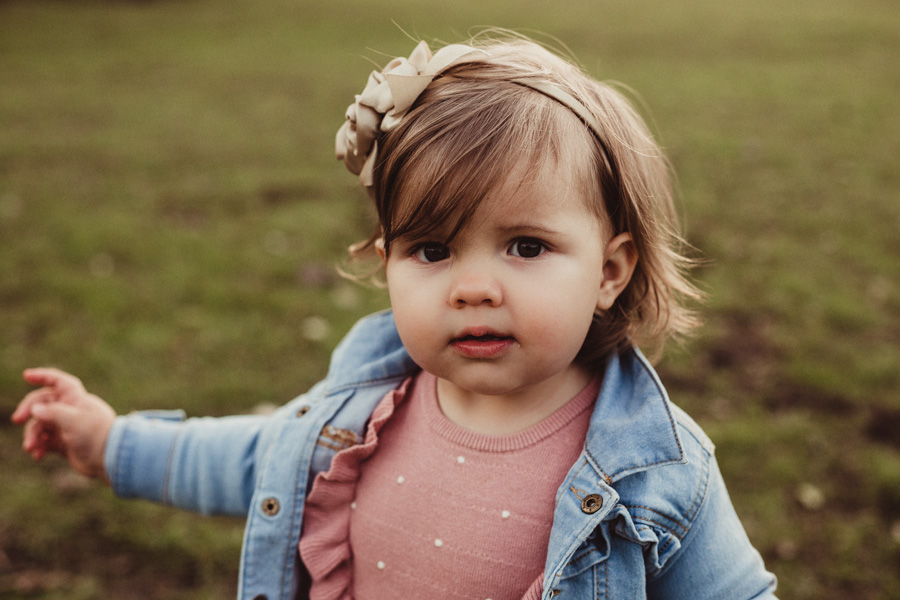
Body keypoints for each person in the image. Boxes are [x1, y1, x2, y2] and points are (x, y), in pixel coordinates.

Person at [12, 33, 778, 600]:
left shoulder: (658, 470)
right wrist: (114, 443)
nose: (473, 287)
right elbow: (251, 460)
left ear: (609, 272)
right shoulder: (361, 415)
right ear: (386, 262)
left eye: (524, 245)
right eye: (433, 250)